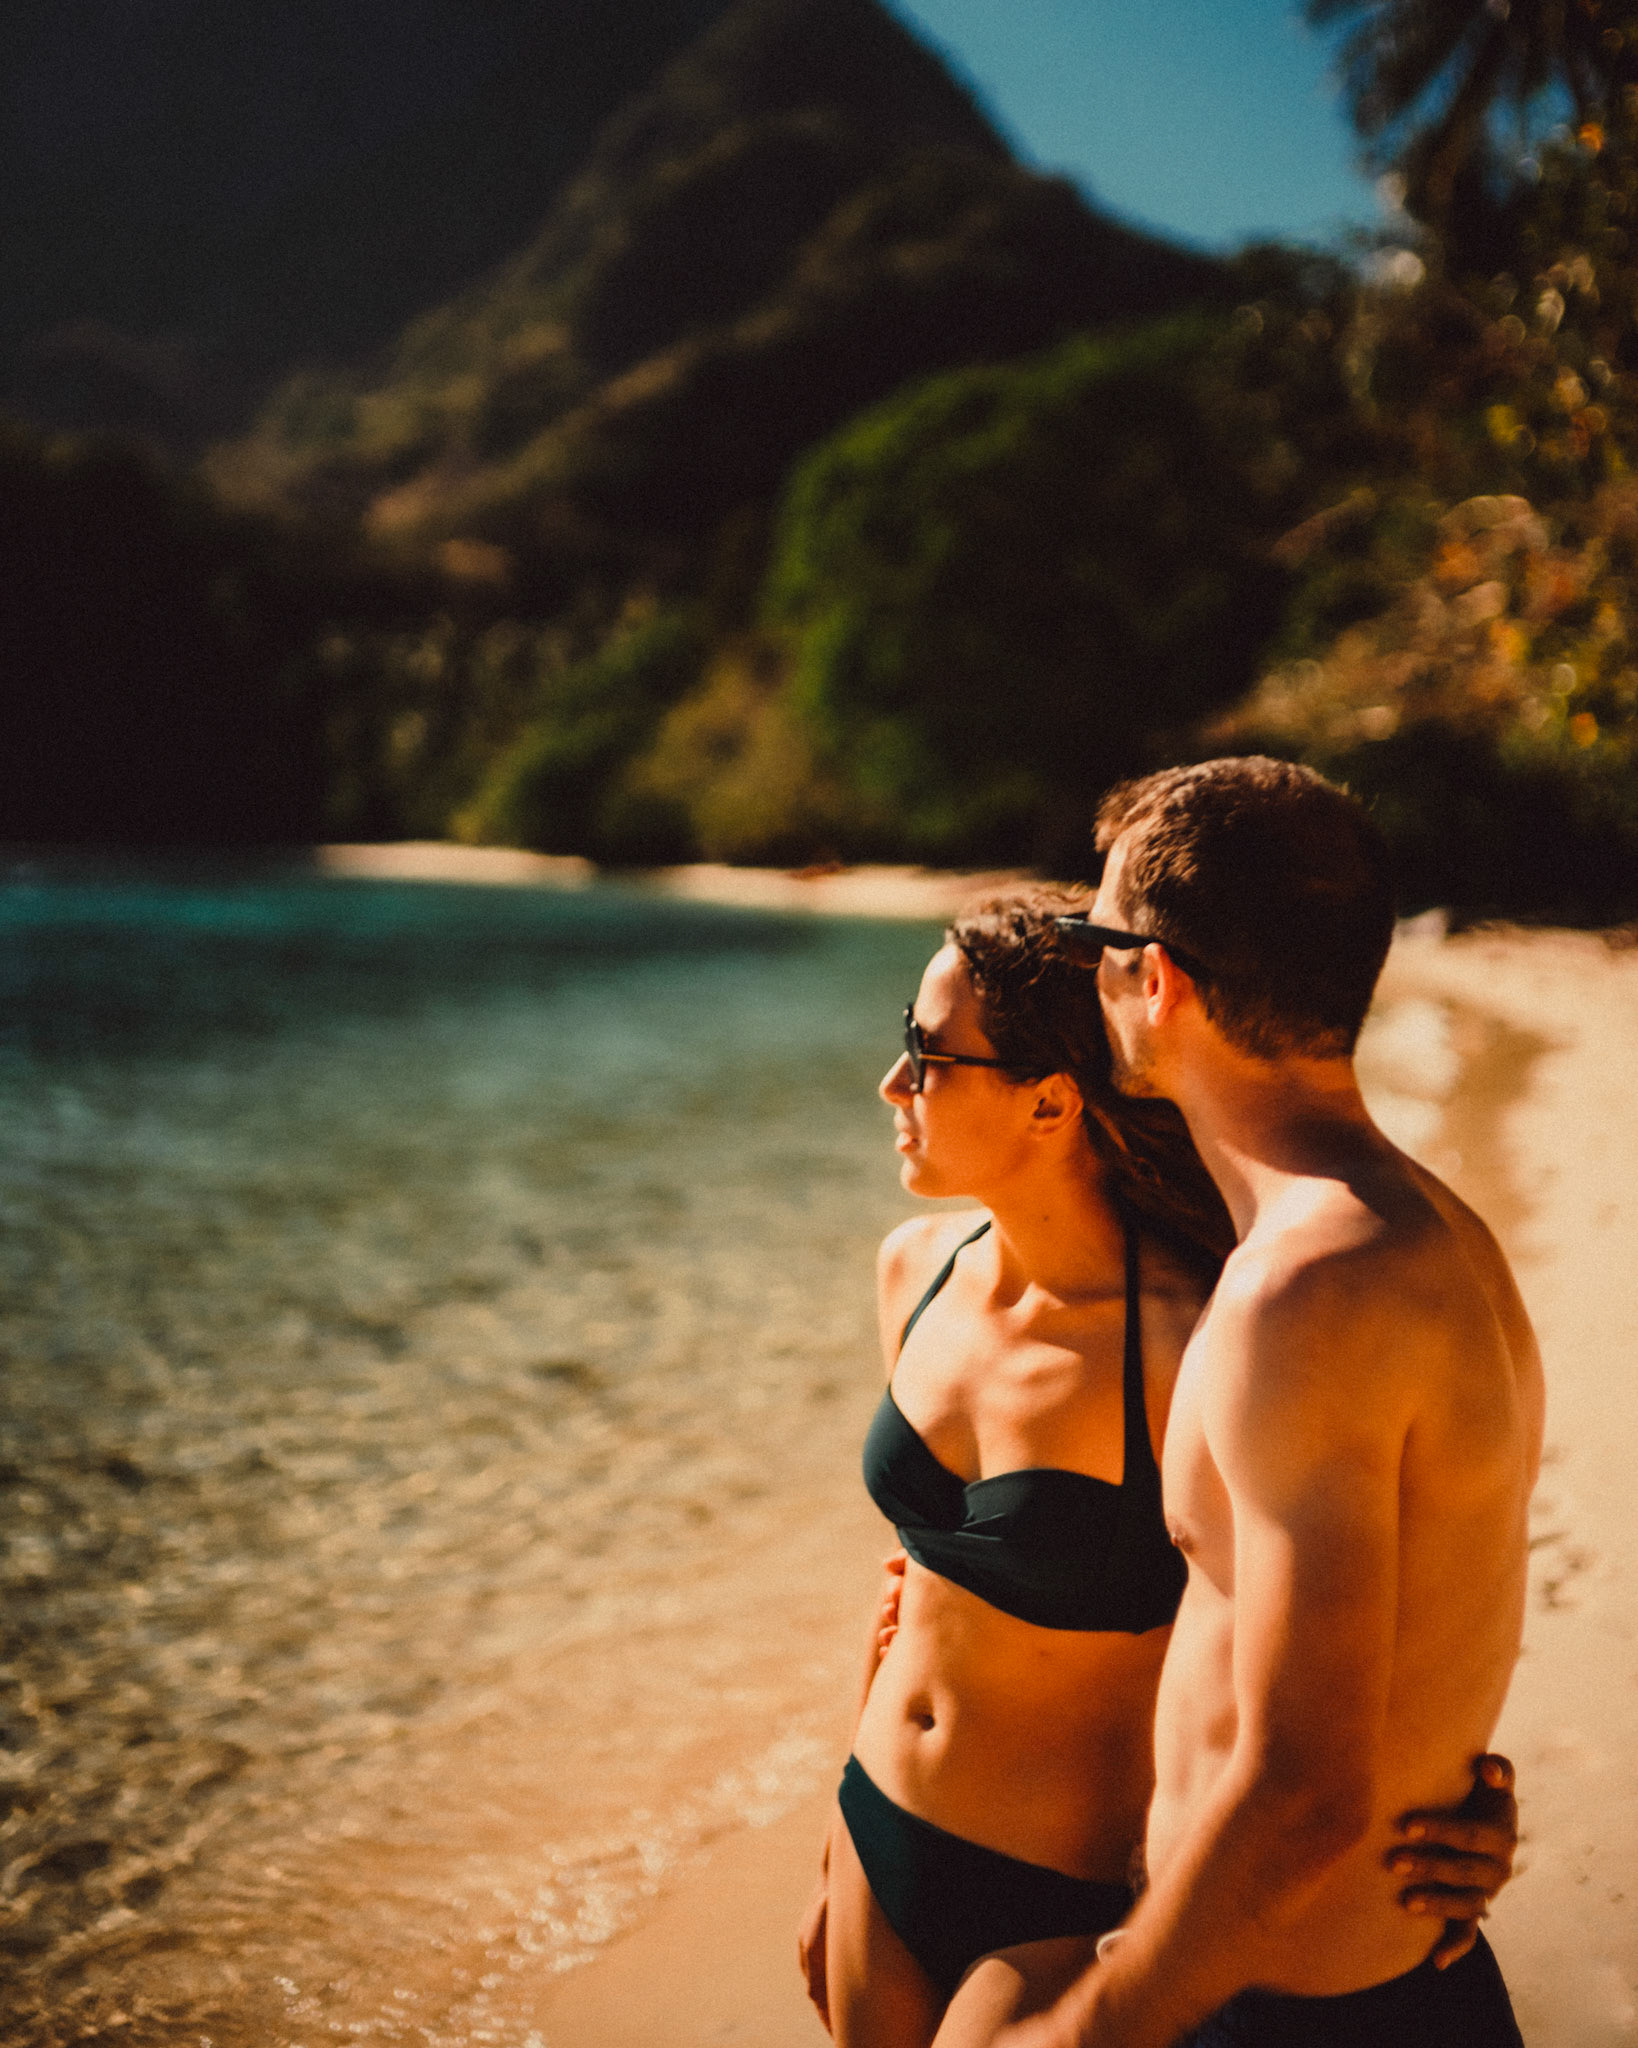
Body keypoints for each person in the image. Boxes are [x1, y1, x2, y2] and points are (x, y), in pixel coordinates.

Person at [799, 886, 1519, 2048]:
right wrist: (834, 1850)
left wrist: (1457, 1796)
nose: (894, 1084)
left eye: (927, 1055)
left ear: (1050, 1098)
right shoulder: (915, 1267)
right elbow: (917, 1579)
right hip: (881, 1831)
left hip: (1062, 1894)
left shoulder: (1202, 1336)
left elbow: (1352, 1616)